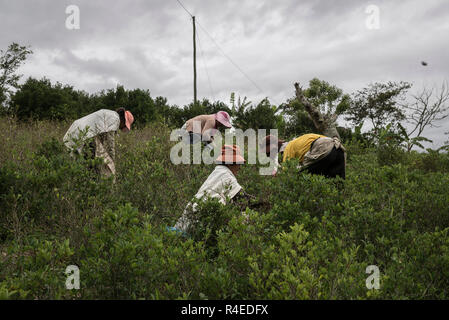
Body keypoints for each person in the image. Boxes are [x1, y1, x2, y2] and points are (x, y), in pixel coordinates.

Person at [170, 144, 248, 235]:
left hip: (189, 219)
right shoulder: (226, 176)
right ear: (230, 163)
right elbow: (244, 199)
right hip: (200, 223)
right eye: (238, 164)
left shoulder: (218, 172)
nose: (239, 167)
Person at [63, 108, 134, 178]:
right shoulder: (115, 119)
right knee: (90, 165)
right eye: (124, 126)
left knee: (81, 163)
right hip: (83, 134)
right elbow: (110, 144)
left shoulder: (111, 115)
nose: (121, 128)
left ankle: (83, 180)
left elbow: (102, 138)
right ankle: (90, 182)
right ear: (123, 120)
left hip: (77, 132)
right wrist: (112, 163)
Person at [262, 133, 346, 179]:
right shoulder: (295, 143)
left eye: (269, 153)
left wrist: (277, 175)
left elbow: (288, 174)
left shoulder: (287, 149)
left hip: (322, 149)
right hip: (338, 148)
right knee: (337, 183)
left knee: (301, 177)